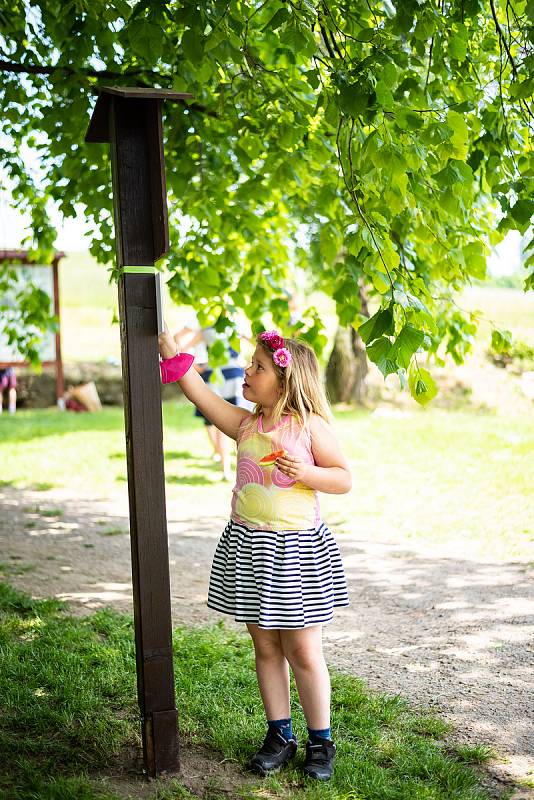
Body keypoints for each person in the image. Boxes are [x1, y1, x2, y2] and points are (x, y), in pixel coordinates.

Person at [159, 327, 351, 781]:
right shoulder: (246, 423)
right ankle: (280, 734)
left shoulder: (309, 426)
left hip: (295, 552)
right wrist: (172, 353)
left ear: (285, 382)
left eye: (258, 367)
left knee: (302, 649)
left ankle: (320, 741)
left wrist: (307, 471)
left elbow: (343, 478)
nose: (247, 371)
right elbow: (202, 397)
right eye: (250, 364)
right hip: (251, 550)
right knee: (264, 644)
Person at [172, 320, 252, 481]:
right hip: (234, 377)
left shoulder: (206, 329)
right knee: (242, 424)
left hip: (215, 375)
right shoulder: (236, 326)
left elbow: (182, 347)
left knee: (220, 423)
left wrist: (197, 366)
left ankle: (226, 468)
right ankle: (242, 466)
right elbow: (256, 343)